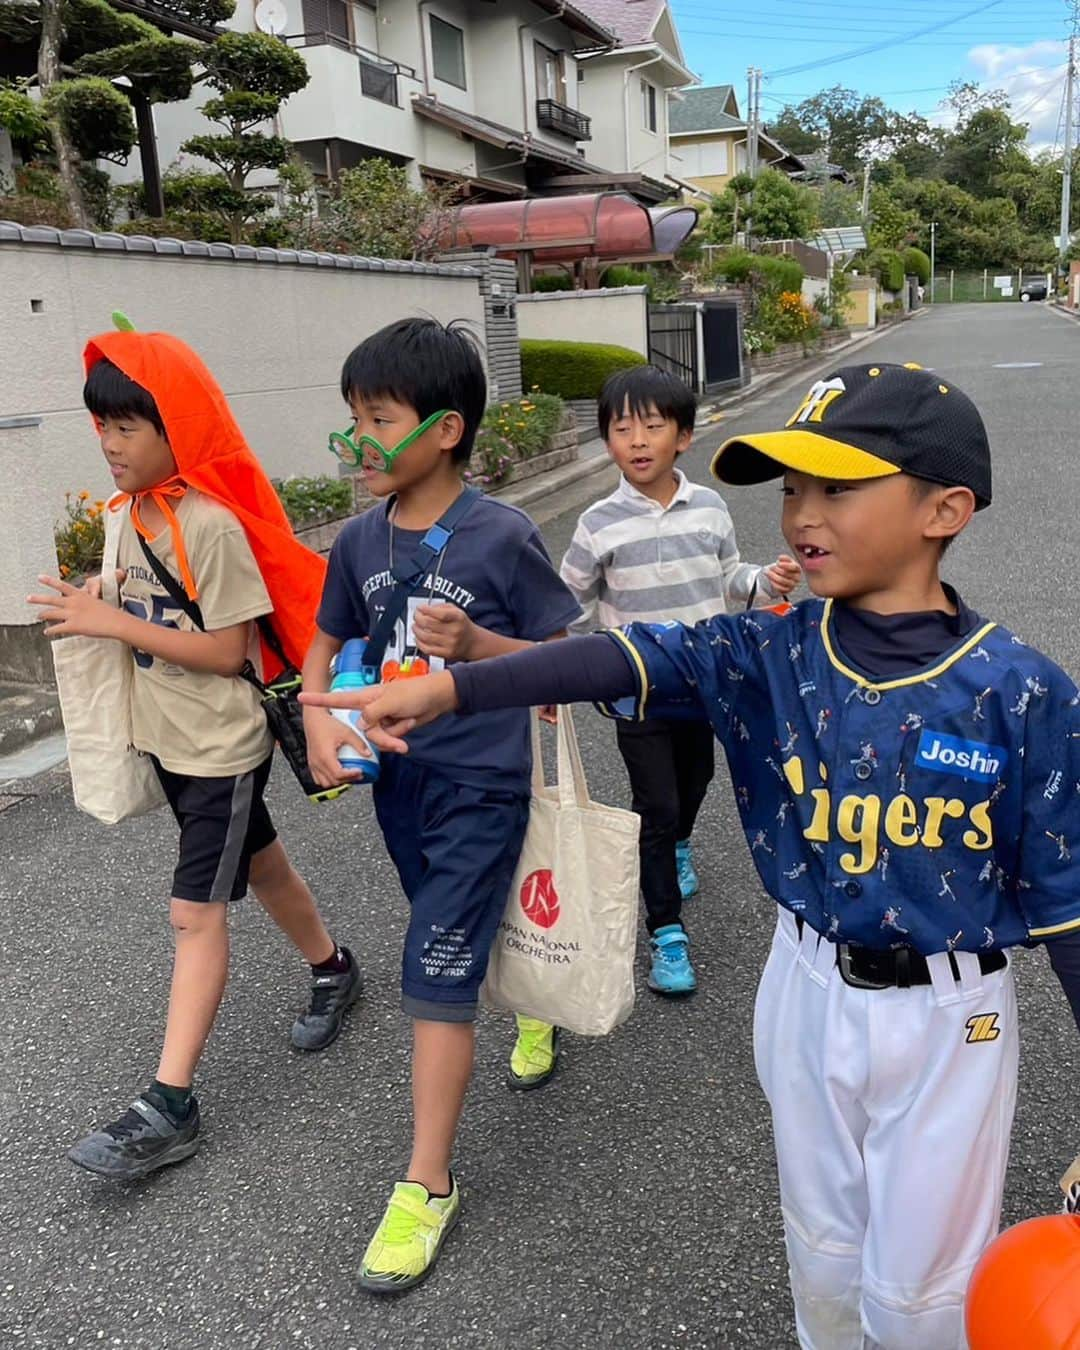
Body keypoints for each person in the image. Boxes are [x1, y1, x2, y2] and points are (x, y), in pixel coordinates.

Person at [303, 362, 1080, 1349]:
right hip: (802, 992)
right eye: (792, 487)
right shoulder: (770, 650)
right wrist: (452, 689)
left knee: (921, 1297)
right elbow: (620, 657)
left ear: (945, 508)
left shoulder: (1020, 694)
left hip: (948, 1021)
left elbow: (1070, 907)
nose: (801, 511)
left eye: (837, 486)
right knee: (826, 1261)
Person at [28, 330, 359, 1182]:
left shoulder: (208, 524)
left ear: (177, 428)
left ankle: (169, 1104)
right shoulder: (122, 517)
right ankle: (334, 968)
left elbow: (225, 651)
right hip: (168, 743)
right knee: (263, 869)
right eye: (101, 425)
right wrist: (99, 597)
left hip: (219, 749)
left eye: (128, 428)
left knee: (194, 912)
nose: (108, 443)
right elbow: (139, 605)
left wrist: (111, 621)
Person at [301, 317, 580, 1294]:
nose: (358, 443)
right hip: (400, 786)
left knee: (434, 965)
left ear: (448, 428)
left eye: (377, 420)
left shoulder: (506, 536)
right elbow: (325, 641)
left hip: (485, 783)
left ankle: (426, 1183)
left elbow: (562, 656)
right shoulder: (357, 540)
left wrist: (478, 649)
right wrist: (316, 723)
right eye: (352, 420)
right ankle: (527, 993)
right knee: (453, 926)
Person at [559, 364, 799, 994]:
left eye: (653, 426)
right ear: (607, 440)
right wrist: (553, 668)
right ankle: (667, 933)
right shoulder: (596, 524)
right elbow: (565, 607)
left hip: (705, 682)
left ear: (683, 437)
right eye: (621, 428)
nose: (637, 440)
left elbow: (728, 579)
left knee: (697, 780)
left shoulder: (712, 509)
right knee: (654, 807)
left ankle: (681, 843)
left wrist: (763, 583)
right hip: (635, 690)